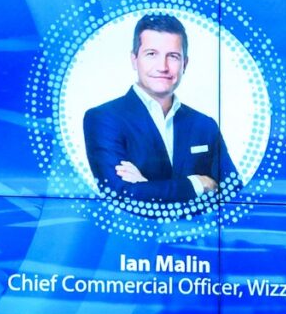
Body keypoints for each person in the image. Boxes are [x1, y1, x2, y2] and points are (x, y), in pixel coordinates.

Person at [80, 12, 236, 203]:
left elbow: (234, 191)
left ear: (185, 64)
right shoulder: (103, 119)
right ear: (134, 59)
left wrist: (146, 187)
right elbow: (120, 193)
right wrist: (198, 184)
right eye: (151, 54)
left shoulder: (204, 124)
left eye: (173, 56)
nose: (162, 66)